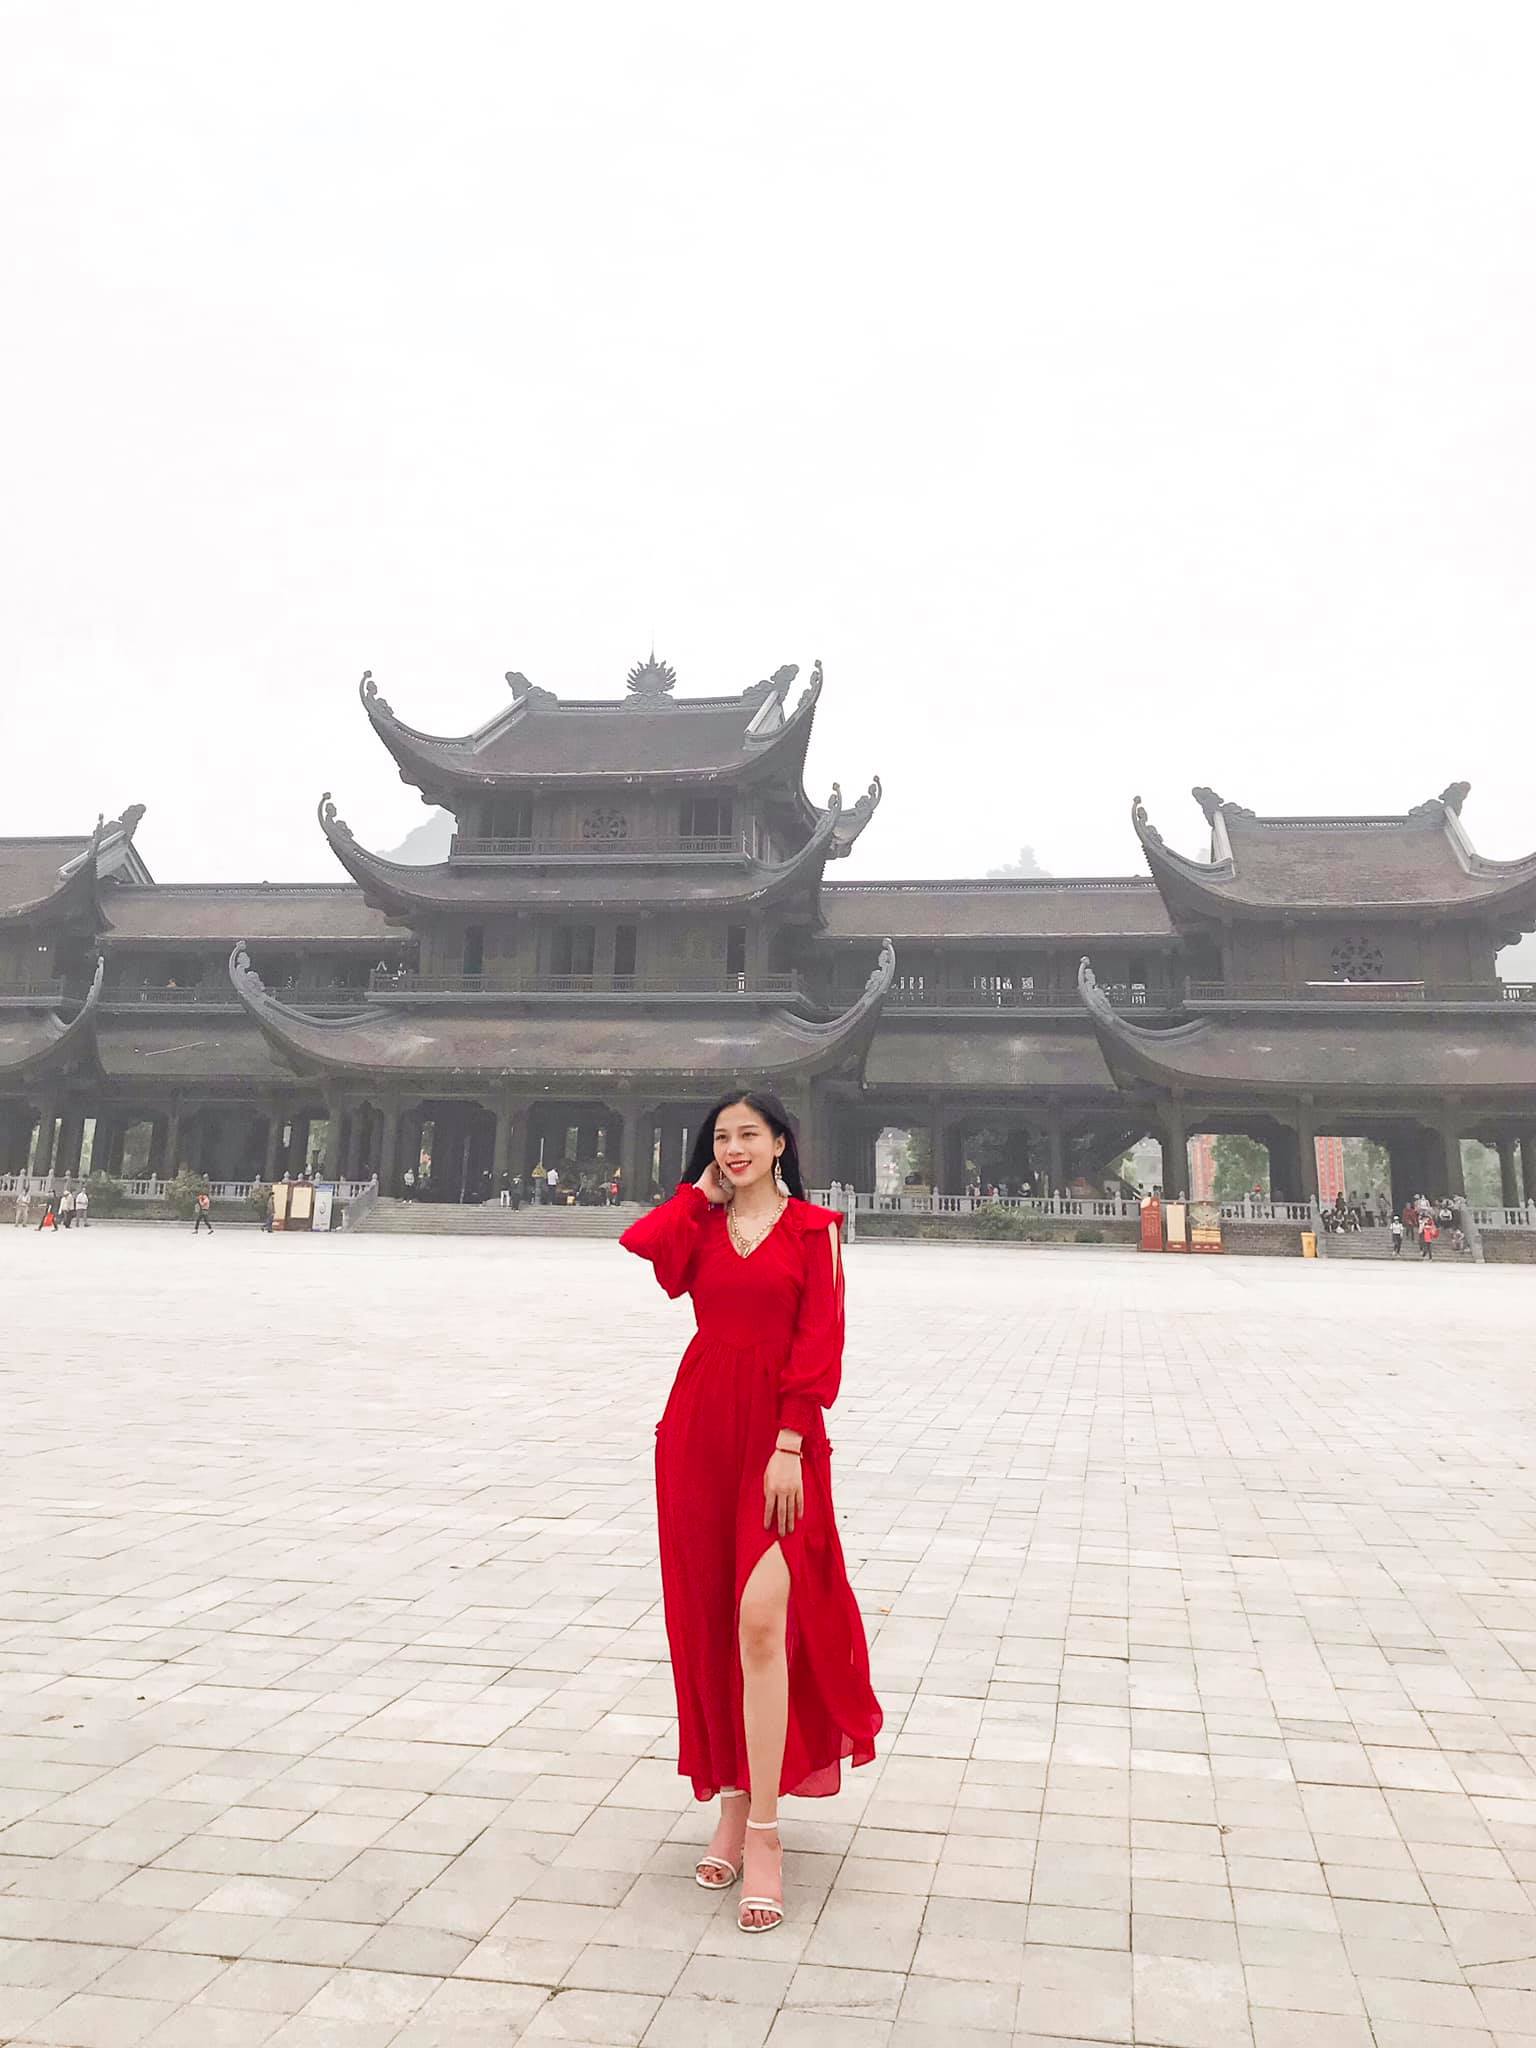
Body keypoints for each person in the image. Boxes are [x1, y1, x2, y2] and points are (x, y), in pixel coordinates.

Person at [619, 1089, 882, 1935]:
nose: (734, 1148)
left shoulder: (815, 1230)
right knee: (708, 1620)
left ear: (780, 1144)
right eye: (722, 1138)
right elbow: (644, 1245)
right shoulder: (700, 1226)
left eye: (748, 1136)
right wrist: (697, 1194)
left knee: (763, 1623)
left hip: (780, 1442)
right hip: (698, 1433)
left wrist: (790, 1442)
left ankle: (764, 1831)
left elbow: (821, 1340)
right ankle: (731, 1805)